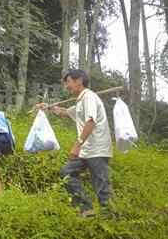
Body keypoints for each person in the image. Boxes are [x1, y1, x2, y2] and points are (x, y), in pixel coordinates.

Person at [37, 69, 112, 217]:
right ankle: (86, 209)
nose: (66, 86)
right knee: (67, 173)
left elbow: (91, 121)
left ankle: (110, 220)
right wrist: (48, 107)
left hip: (97, 149)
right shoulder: (81, 100)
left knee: (102, 186)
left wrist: (77, 145)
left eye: (68, 82)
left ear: (79, 81)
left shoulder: (89, 97)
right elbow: (65, 112)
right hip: (86, 150)